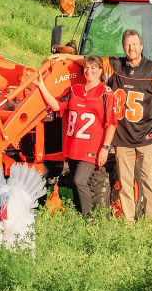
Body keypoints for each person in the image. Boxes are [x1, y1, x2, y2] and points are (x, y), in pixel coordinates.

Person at [102, 29, 152, 222]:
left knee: (149, 182)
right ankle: (129, 221)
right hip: (123, 137)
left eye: (135, 44)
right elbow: (90, 63)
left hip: (147, 136)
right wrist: (65, 57)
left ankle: (150, 222)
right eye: (128, 44)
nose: (131, 48)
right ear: (123, 47)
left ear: (141, 46)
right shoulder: (115, 65)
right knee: (125, 182)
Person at [37, 55, 117, 220]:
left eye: (94, 67)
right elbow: (56, 106)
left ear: (100, 71)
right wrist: (41, 86)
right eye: (86, 67)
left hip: (92, 147)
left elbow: (111, 124)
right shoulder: (74, 90)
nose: (89, 71)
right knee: (76, 184)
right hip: (73, 146)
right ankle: (80, 217)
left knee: (79, 180)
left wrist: (105, 148)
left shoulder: (106, 94)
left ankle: (89, 218)